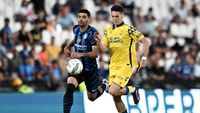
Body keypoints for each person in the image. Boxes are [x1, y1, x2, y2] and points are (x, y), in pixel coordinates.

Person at [95, 5, 149, 113]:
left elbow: (145, 41)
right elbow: (103, 49)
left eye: (117, 16)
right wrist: (98, 41)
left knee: (113, 91)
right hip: (113, 66)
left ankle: (133, 89)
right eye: (113, 16)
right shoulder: (108, 30)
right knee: (116, 98)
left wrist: (143, 58)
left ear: (122, 15)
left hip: (126, 65)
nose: (114, 19)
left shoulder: (129, 29)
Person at [63, 9, 108, 113]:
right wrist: (67, 46)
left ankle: (104, 84)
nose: (81, 19)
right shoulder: (76, 29)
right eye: (79, 17)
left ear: (89, 19)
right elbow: (76, 39)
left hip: (90, 69)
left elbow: (95, 54)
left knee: (92, 97)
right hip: (77, 67)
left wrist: (80, 54)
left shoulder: (93, 33)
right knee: (69, 88)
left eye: (84, 17)